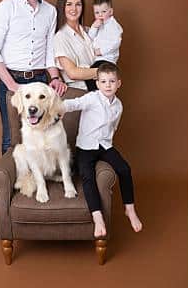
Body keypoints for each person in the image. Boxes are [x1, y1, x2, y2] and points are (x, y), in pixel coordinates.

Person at [0, 0, 68, 154]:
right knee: (11, 137)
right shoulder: (6, 7)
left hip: (40, 80)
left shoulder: (50, 12)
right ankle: (11, 184)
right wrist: (12, 85)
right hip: (11, 79)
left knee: (41, 137)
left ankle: (37, 181)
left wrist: (55, 77)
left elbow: (49, 50)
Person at [61, 63, 143, 238]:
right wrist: (58, 108)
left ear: (118, 83)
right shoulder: (92, 98)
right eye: (104, 81)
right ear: (97, 83)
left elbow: (114, 127)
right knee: (87, 175)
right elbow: (73, 104)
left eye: (112, 81)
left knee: (124, 169)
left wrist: (108, 142)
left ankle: (130, 209)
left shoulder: (118, 106)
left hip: (105, 145)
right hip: (86, 146)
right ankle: (97, 216)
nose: (108, 85)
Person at [52, 0, 101, 91]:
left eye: (78, 4)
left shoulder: (89, 31)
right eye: (69, 4)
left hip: (101, 89)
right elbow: (72, 73)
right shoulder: (60, 37)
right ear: (62, 7)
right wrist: (105, 72)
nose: (74, 9)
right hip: (81, 93)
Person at [88, 0, 123, 65]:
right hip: (96, 58)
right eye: (97, 12)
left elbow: (115, 42)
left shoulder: (113, 25)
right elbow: (89, 38)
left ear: (110, 12)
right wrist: (94, 27)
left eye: (103, 12)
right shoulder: (97, 24)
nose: (100, 15)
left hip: (107, 59)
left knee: (97, 73)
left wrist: (101, 51)